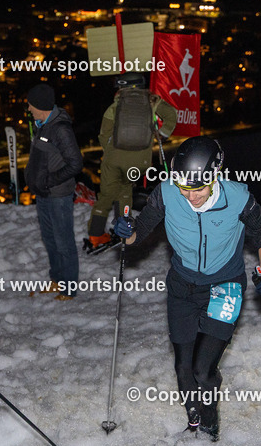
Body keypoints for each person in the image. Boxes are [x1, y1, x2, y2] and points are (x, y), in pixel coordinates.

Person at [114, 137, 261, 441]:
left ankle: (210, 422)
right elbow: (140, 231)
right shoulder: (167, 193)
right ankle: (193, 419)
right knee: (183, 366)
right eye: (185, 188)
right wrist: (126, 232)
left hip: (224, 286)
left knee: (203, 370)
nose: (191, 196)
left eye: (199, 188)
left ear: (215, 176)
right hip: (182, 287)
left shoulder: (238, 198)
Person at [87, 72, 177, 249]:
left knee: (106, 196)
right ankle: (125, 232)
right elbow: (171, 116)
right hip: (140, 161)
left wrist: (112, 151)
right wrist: (161, 135)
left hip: (114, 158)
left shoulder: (116, 105)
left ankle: (96, 236)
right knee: (125, 192)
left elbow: (103, 134)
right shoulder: (152, 101)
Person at [24, 83, 83, 300]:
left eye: (31, 105)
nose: (28, 108)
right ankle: (57, 280)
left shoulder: (60, 129)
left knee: (63, 241)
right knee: (50, 239)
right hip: (44, 194)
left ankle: (69, 289)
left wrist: (49, 180)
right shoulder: (42, 124)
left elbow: (76, 163)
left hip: (58, 195)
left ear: (41, 106)